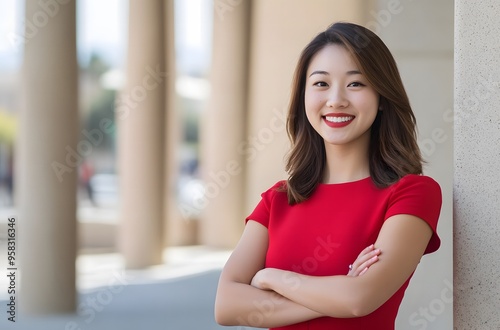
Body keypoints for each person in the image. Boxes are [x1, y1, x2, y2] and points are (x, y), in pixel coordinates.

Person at [214, 22, 442, 330]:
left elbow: (360, 299)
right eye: (321, 84)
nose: (336, 100)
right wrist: (337, 292)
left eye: (356, 84)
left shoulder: (412, 193)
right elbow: (227, 306)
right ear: (303, 97)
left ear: (382, 97)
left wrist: (271, 278)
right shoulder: (278, 199)